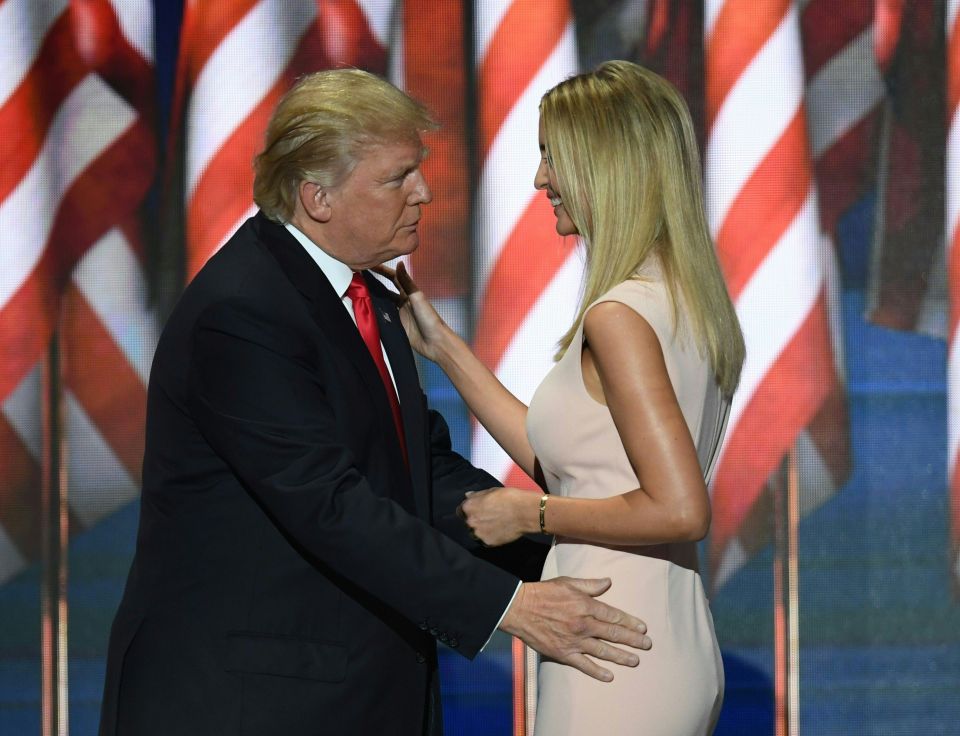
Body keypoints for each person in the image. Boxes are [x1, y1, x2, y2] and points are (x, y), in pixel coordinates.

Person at [98, 68, 653, 736]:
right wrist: (511, 605)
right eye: (397, 178)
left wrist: (562, 553)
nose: (424, 192)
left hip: (348, 695)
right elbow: (333, 506)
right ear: (317, 198)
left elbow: (422, 472)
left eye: (417, 170)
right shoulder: (243, 313)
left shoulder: (371, 300)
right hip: (249, 705)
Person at [381, 60, 745, 736]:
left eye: (553, 154)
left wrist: (529, 513)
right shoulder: (685, 300)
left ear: (606, 164)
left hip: (613, 645)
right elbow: (583, 462)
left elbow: (679, 507)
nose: (540, 178)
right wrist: (445, 348)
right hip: (659, 633)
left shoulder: (618, 317)